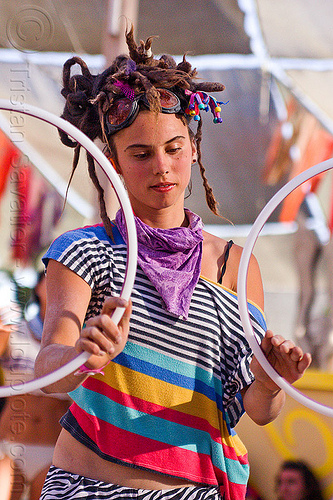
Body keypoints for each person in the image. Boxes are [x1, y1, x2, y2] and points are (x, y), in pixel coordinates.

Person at [35, 26, 311, 500]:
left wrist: (270, 380)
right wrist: (84, 356)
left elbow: (259, 410)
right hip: (90, 488)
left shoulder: (237, 269)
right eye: (140, 154)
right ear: (115, 164)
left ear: (194, 148)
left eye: (173, 148)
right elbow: (48, 371)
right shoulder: (85, 251)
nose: (161, 166)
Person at [0, 272, 70, 500]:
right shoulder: (13, 330)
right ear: (38, 286)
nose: (56, 284)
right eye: (49, 278)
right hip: (9, 446)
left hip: (54, 452)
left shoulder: (80, 342)